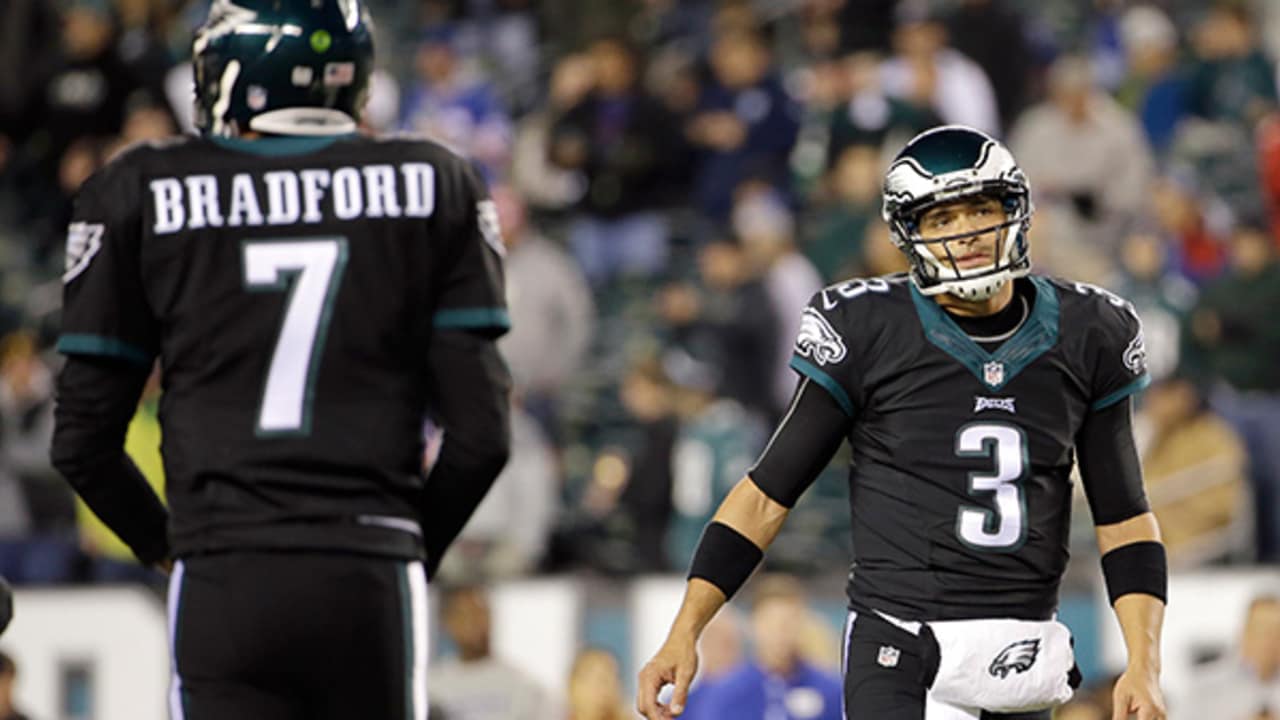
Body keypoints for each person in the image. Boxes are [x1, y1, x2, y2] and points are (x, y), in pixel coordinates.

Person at [49, 1, 512, 718]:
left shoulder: (140, 188)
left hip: (224, 569)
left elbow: (81, 443)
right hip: (368, 567)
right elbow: (482, 438)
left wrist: (171, 545)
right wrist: (409, 544)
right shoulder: (433, 182)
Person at [637, 125, 1168, 720]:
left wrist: (1144, 664)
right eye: (940, 219)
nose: (964, 232)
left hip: (1022, 644)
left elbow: (1124, 518)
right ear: (909, 234)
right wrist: (685, 629)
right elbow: (766, 494)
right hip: (901, 638)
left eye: (979, 209)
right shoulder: (869, 326)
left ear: (1014, 211)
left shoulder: (1089, 330)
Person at [688, 575, 842, 720]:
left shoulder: (831, 690)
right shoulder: (726, 692)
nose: (781, 633)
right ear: (754, 625)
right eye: (772, 623)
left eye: (788, 622)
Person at [429, 585, 558, 720]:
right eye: (463, 614)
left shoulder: (522, 684)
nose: (473, 623)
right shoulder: (433, 686)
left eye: (479, 613)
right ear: (447, 622)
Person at [1180, 594, 1280, 719]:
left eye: (1277, 631)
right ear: (1244, 632)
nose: (1270, 641)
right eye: (1263, 630)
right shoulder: (1204, 688)